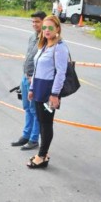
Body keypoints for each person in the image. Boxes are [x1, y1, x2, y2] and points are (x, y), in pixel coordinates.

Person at [26, 15, 68, 169]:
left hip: (49, 91)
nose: (47, 30)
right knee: (41, 121)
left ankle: (42, 155)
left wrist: (55, 94)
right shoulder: (44, 45)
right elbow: (37, 69)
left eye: (51, 27)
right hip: (38, 88)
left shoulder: (60, 47)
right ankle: (44, 153)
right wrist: (32, 88)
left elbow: (61, 73)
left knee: (46, 124)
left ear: (57, 28)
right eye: (45, 27)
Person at [11, 10, 47, 151]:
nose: (34, 24)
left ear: (45, 22)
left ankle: (33, 139)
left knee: (34, 110)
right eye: (33, 21)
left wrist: (35, 78)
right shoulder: (32, 37)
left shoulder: (46, 39)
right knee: (26, 108)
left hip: (36, 80)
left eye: (37, 21)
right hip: (25, 77)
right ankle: (25, 136)